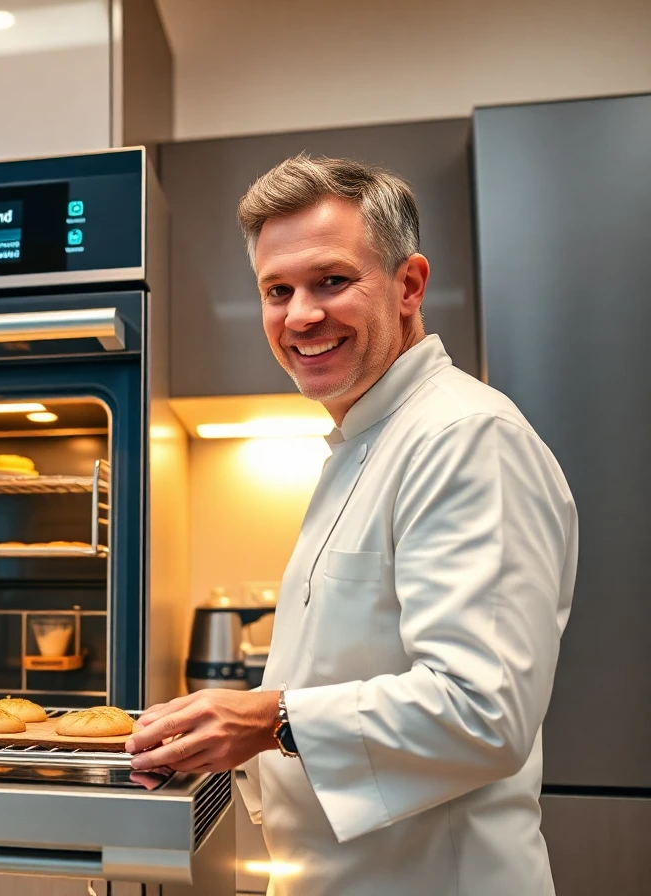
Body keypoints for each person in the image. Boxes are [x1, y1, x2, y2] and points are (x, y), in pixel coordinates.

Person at [126, 155, 578, 895]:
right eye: (278, 290)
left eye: (331, 281)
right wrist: (227, 733)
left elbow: (482, 709)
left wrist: (268, 719)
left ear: (408, 285)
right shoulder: (367, 442)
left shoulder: (465, 437)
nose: (300, 315)